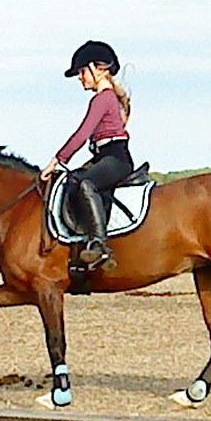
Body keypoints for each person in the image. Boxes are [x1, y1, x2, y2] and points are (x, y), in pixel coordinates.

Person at [40, 40, 133, 271]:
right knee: (72, 181)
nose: (80, 78)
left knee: (85, 184)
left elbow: (83, 133)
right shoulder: (106, 98)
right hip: (103, 156)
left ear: (98, 68)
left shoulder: (103, 98)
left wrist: (57, 160)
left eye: (82, 72)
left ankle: (100, 245)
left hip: (116, 157)